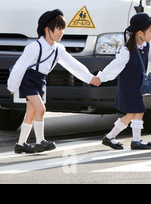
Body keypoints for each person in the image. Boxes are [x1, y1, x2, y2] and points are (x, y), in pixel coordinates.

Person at [7, 9, 100, 154]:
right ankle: (40, 141)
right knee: (41, 109)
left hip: (40, 80)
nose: (62, 32)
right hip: (29, 79)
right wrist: (12, 86)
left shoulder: (59, 49)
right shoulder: (33, 47)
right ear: (47, 29)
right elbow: (20, 67)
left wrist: (89, 78)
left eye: (63, 29)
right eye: (59, 28)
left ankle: (20, 144)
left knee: (31, 112)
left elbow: (73, 65)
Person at [96, 13, 151, 150]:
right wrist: (101, 77)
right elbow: (114, 66)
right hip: (127, 87)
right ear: (140, 33)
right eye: (150, 31)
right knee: (138, 111)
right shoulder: (126, 50)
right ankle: (135, 140)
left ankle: (111, 137)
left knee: (132, 114)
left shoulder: (147, 47)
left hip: (137, 87)